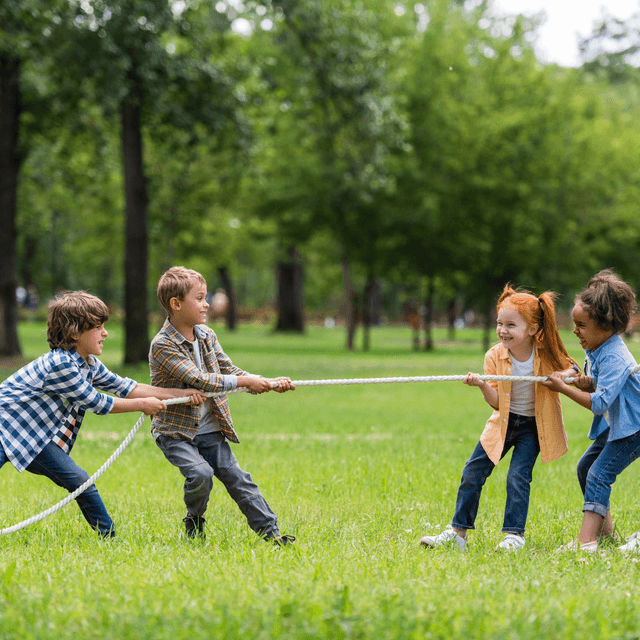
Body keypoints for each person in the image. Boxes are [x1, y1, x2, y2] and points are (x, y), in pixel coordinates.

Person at [0, 291, 204, 538]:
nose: (105, 333)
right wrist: (143, 405)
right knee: (79, 478)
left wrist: (178, 394)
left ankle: (108, 537)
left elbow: (126, 387)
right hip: (4, 428)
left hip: (32, 437)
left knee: (79, 479)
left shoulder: (87, 363)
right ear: (75, 333)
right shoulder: (61, 365)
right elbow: (96, 402)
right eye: (98, 327)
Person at [420, 284, 579, 552]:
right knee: (473, 472)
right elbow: (496, 404)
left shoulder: (545, 352)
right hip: (503, 424)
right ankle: (458, 534)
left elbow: (573, 368)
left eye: (511, 325)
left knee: (518, 477)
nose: (502, 330)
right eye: (499, 323)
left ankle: (513, 536)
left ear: (532, 329)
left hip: (532, 427)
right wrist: (482, 385)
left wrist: (561, 377)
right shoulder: (494, 355)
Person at [149, 266, 296, 545]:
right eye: (200, 298)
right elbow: (198, 379)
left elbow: (229, 370)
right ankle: (194, 518)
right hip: (176, 432)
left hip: (211, 430)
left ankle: (272, 535)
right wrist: (247, 382)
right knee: (201, 474)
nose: (207, 304)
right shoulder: (163, 344)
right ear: (176, 304)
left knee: (239, 479)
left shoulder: (207, 336)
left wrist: (266, 382)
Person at [543, 270, 640, 553]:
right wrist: (585, 381)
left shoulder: (614, 355)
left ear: (606, 325)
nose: (575, 331)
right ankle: (606, 534)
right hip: (619, 422)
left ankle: (586, 541)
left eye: (581, 325)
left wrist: (563, 389)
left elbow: (599, 403)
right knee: (587, 468)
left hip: (634, 426)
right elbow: (601, 384)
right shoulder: (597, 346)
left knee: (599, 474)